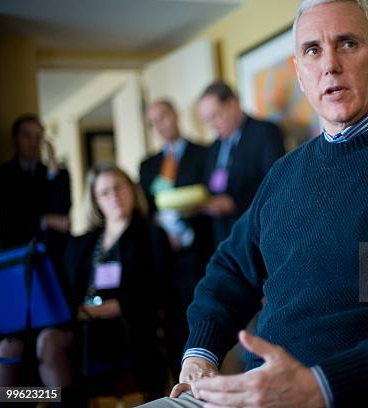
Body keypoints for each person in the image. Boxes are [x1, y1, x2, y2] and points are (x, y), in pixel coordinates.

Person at [142, 1, 368, 407]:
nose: (329, 64)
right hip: (263, 393)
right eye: (313, 50)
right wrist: (200, 354)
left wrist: (322, 385)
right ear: (300, 75)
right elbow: (229, 268)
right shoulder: (284, 174)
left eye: (348, 43)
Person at [65, 163, 171, 400]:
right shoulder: (86, 242)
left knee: (56, 348)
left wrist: (110, 307)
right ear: (96, 201)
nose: (113, 196)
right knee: (35, 344)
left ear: (132, 190)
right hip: (83, 322)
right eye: (104, 192)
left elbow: (158, 290)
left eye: (118, 188)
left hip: (129, 324)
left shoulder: (151, 235)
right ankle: (24, 397)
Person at [140, 100, 213, 378]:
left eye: (163, 116)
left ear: (176, 114)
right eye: (153, 121)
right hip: (163, 257)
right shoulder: (148, 166)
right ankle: (180, 384)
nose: (159, 124)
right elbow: (145, 210)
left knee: (198, 317)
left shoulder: (203, 153)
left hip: (196, 251)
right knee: (171, 326)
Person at [0, 114, 71, 390]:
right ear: (16, 139)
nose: (33, 142)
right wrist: (45, 220)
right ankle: (22, 400)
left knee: (47, 339)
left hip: (48, 265)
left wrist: (53, 166)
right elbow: (9, 220)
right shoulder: (3, 175)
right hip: (12, 267)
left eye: (39, 136)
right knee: (11, 346)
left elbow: (64, 215)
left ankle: (56, 400)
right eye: (27, 135)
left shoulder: (52, 174)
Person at [196, 81, 285, 246]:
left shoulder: (264, 132)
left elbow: (274, 184)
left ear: (232, 103)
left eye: (215, 116)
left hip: (257, 233)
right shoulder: (215, 146)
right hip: (225, 237)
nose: (212, 126)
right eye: (207, 121)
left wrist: (234, 203)